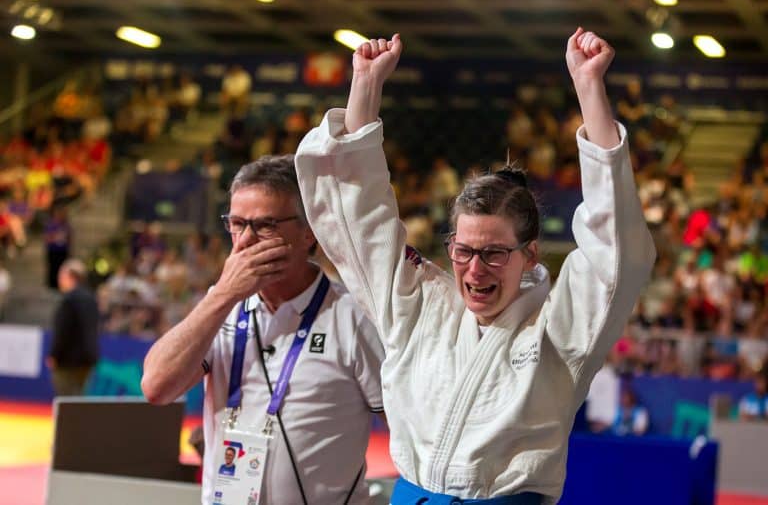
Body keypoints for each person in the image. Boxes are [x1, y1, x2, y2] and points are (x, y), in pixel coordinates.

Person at [295, 30, 655, 503]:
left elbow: (616, 254)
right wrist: (365, 85)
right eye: (463, 250)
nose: (475, 269)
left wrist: (589, 87)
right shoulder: (420, 308)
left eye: (494, 253)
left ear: (529, 255)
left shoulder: (559, 332)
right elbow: (359, 224)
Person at [141, 155, 385, 505]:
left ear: (309, 231)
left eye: (265, 225)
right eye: (237, 224)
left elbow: (406, 430)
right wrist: (223, 294)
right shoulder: (220, 306)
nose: (245, 241)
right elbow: (156, 387)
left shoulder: (353, 315)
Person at [46, 259, 100, 395]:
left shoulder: (69, 300)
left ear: (70, 277)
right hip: (88, 358)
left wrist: (54, 354)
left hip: (67, 360)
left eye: (61, 276)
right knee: (79, 396)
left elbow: (62, 331)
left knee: (66, 397)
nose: (59, 280)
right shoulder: (91, 299)